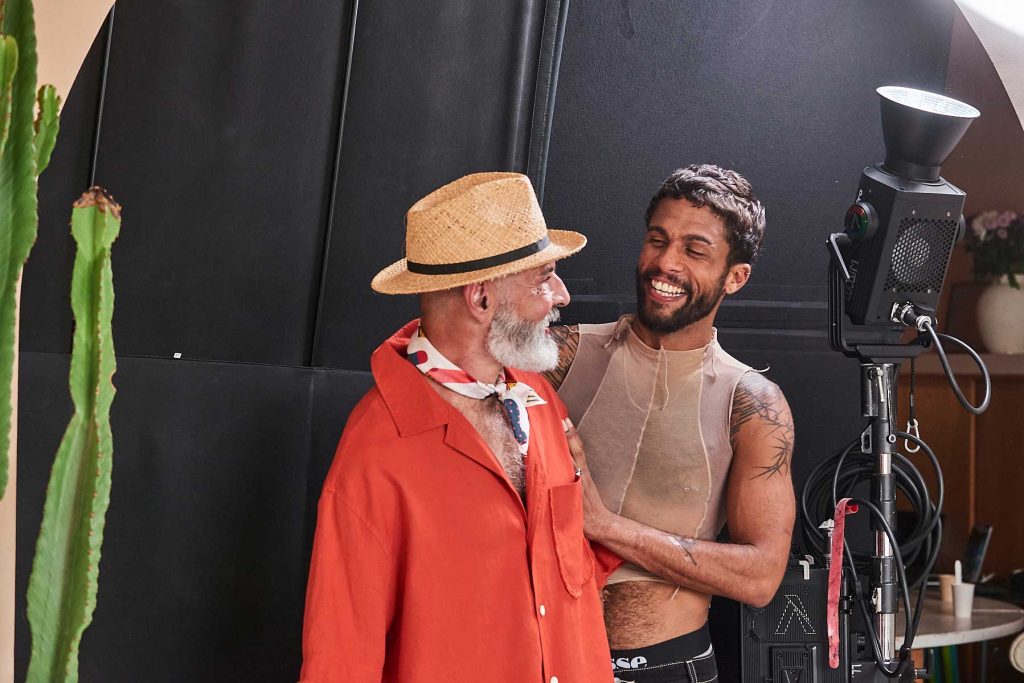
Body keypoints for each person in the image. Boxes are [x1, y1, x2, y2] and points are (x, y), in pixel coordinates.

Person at [299, 172, 617, 683]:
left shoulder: (540, 404)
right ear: (482, 299)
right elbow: (339, 659)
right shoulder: (374, 451)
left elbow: (573, 575)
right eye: (543, 277)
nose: (560, 295)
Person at [544, 164, 795, 682]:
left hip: (670, 667)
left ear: (736, 276)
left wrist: (604, 525)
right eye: (657, 240)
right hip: (549, 659)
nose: (665, 262)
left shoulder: (752, 404)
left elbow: (761, 576)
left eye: (694, 250)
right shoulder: (561, 354)